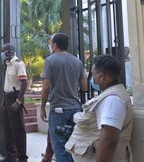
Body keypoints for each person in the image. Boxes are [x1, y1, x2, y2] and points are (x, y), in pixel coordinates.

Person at [65, 55, 133, 162]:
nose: (91, 78)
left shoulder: (112, 100)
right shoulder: (111, 95)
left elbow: (109, 140)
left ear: (101, 77)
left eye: (93, 74)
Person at [40, 33, 87, 162]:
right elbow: (84, 86)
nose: (50, 46)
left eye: (51, 43)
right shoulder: (77, 61)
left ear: (55, 45)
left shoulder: (50, 61)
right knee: (73, 146)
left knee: (60, 148)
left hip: (58, 111)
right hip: (75, 109)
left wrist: (42, 107)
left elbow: (46, 87)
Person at [0, 43, 28, 162]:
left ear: (10, 51)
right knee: (8, 129)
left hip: (15, 98)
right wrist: (4, 101)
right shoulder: (8, 65)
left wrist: (18, 101)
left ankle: (22, 158)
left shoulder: (18, 64)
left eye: (3, 51)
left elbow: (24, 83)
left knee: (18, 129)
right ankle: (11, 156)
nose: (1, 53)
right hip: (7, 98)